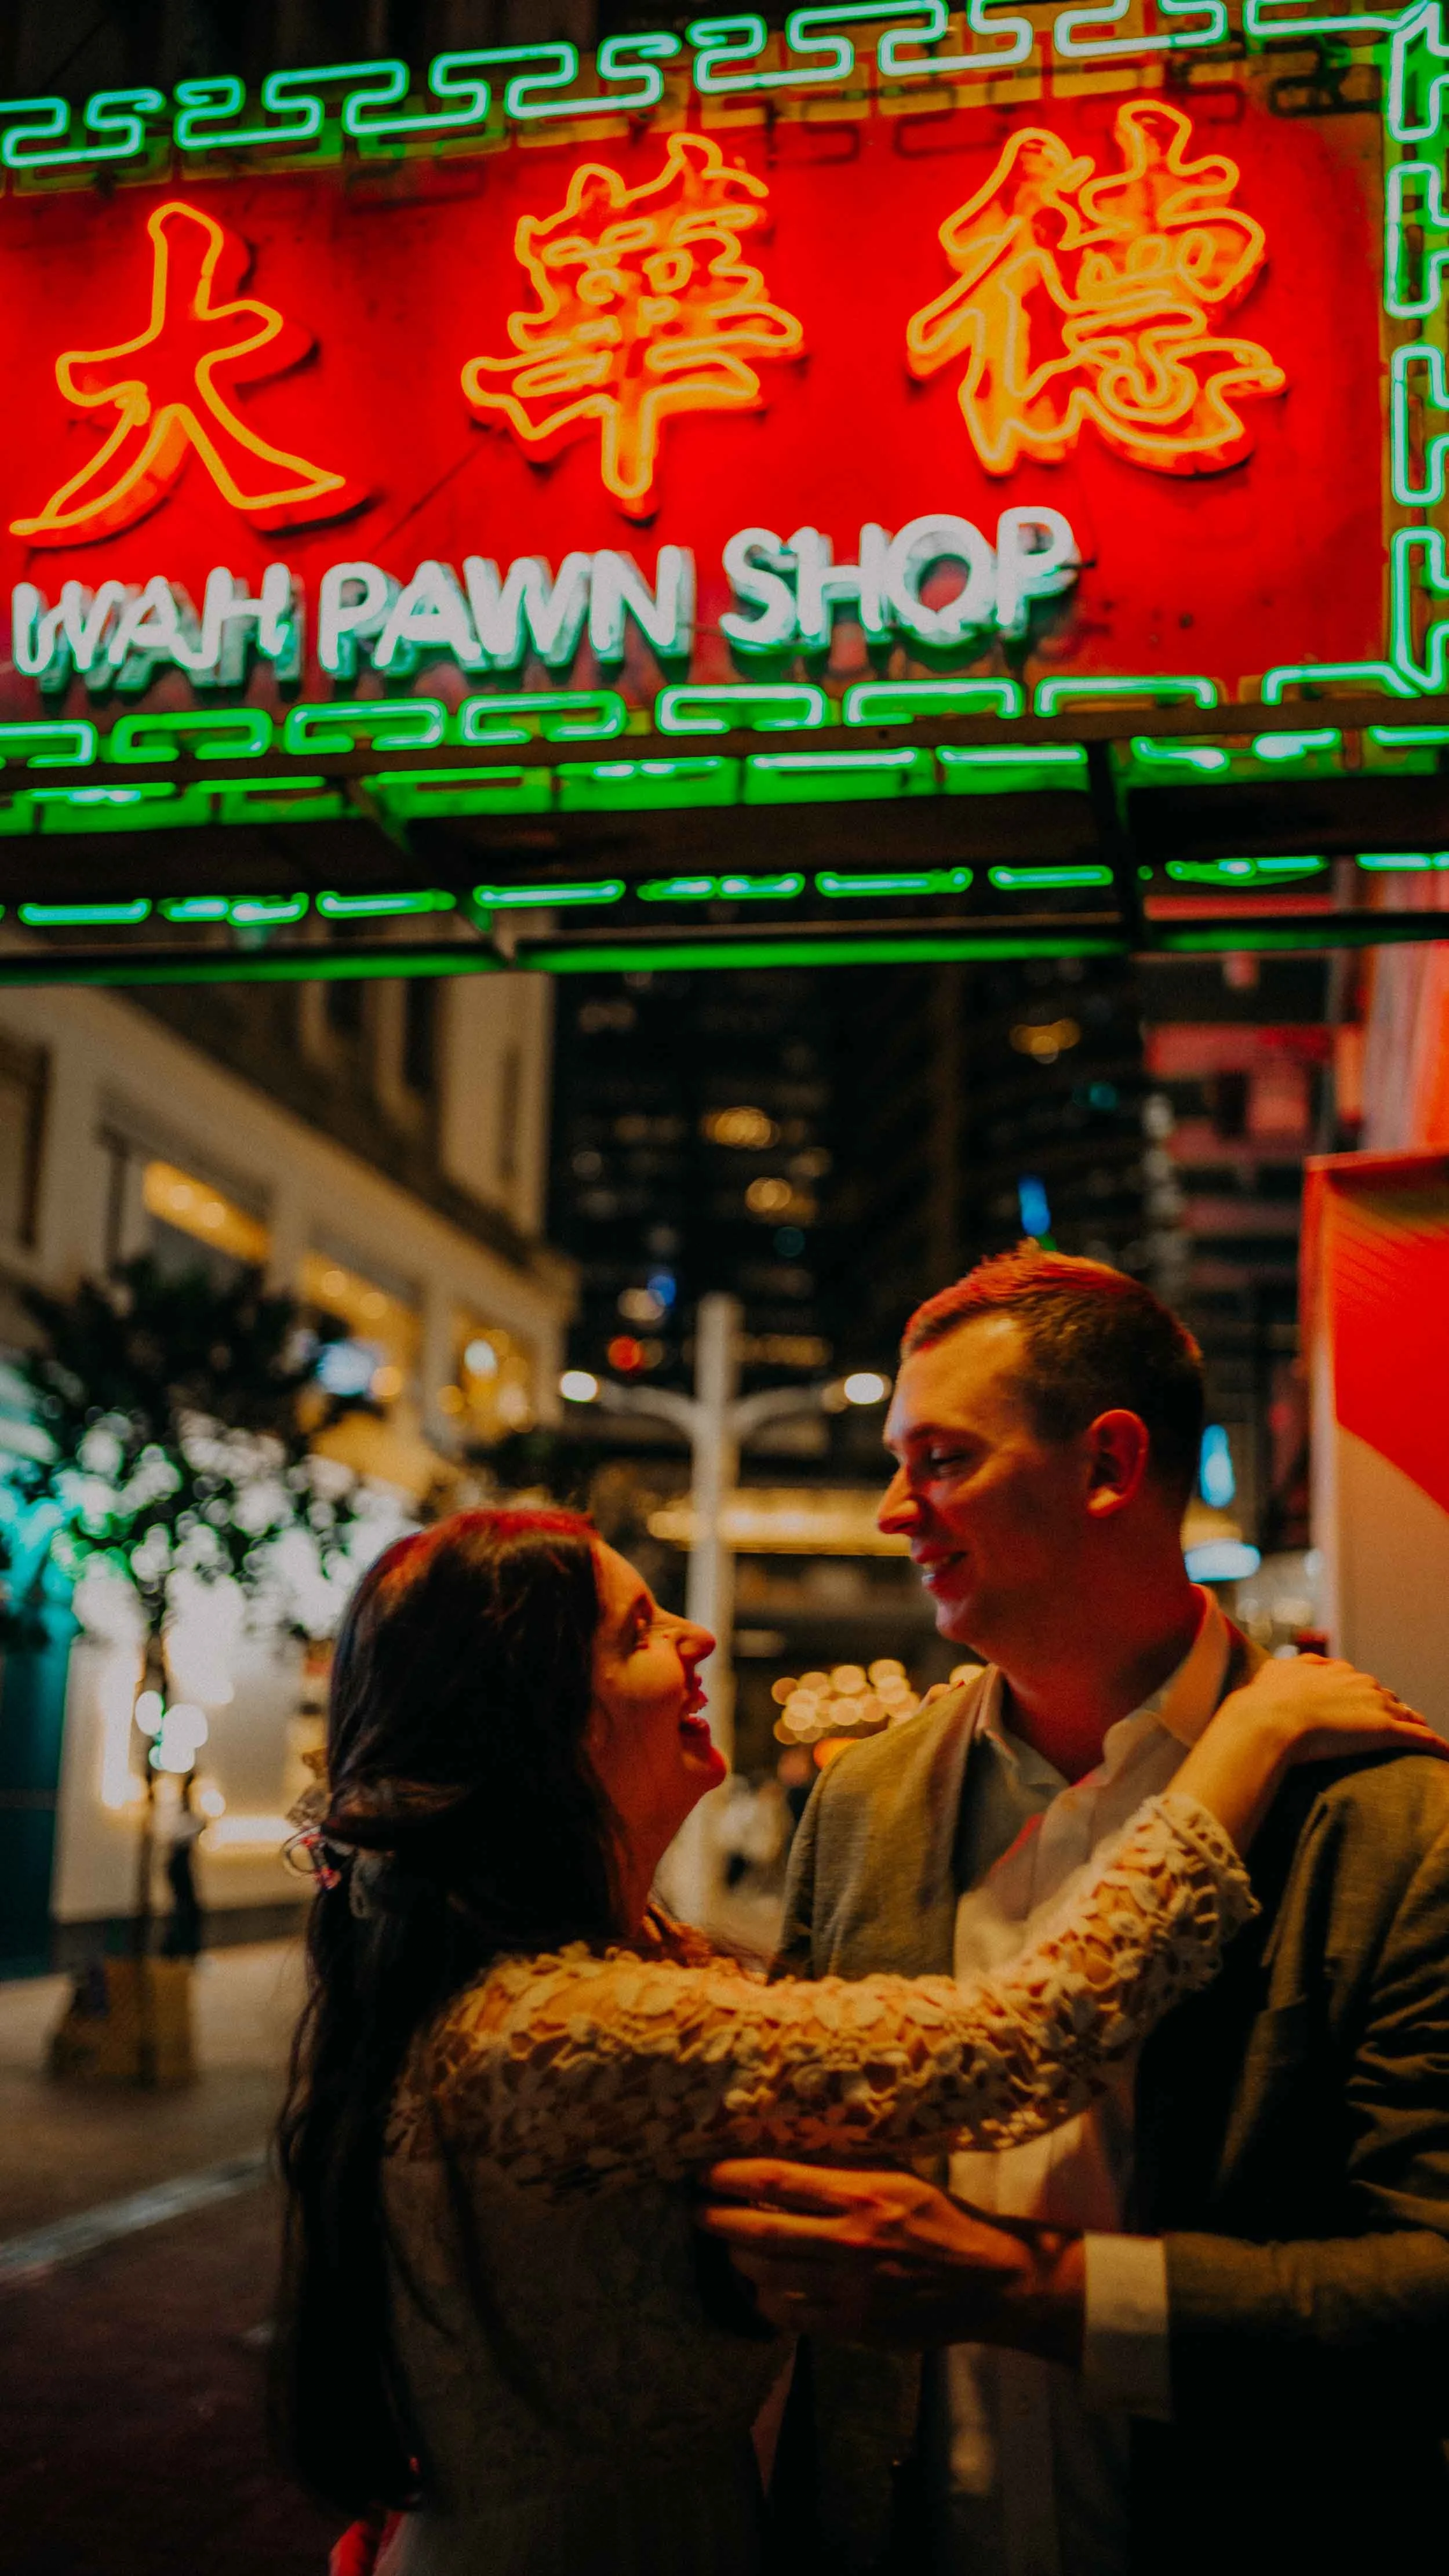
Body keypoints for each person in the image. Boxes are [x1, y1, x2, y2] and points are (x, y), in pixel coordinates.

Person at [271, 1506, 1430, 2576]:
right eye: (639, 1630)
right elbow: (1018, 2042)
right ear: (541, 1726)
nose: (696, 1636)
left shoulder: (593, 1970)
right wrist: (1247, 1738)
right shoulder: (556, 2026)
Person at [700, 1247, 1449, 2576]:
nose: (892, 1509)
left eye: (940, 1460)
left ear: (1107, 1462)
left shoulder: (1385, 1815)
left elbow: (1425, 2284)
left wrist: (1023, 2287)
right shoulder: (863, 1802)